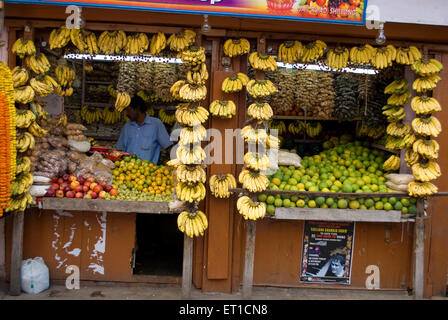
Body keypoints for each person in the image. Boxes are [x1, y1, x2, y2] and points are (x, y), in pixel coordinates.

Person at [116, 95, 173, 164]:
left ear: (137, 108)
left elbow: (168, 146)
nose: (127, 113)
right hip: (127, 170)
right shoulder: (127, 126)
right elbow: (120, 149)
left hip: (147, 171)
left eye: (128, 110)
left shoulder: (156, 124)